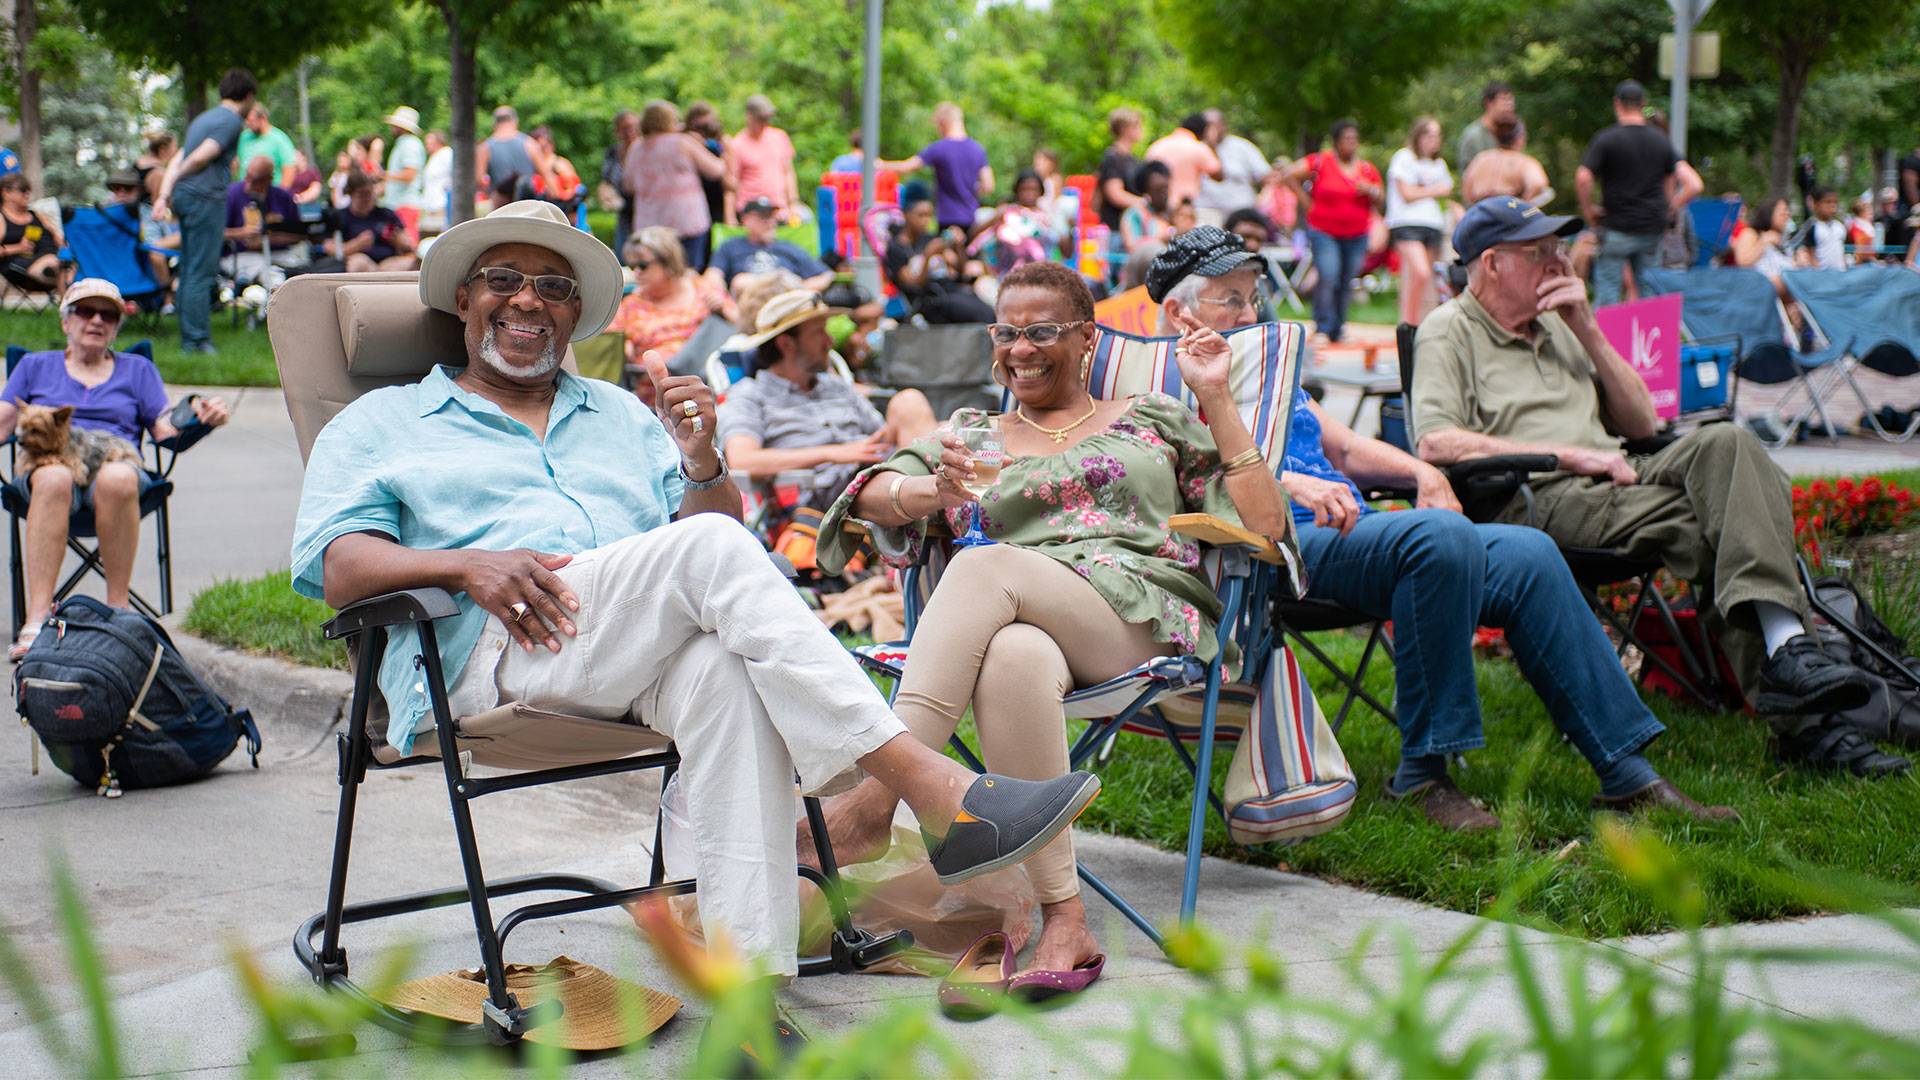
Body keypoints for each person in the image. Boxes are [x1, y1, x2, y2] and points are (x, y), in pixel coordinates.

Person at [290, 201, 1099, 1047]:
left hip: (634, 651)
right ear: (463, 300)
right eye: (504, 280)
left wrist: (703, 457)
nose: (528, 301)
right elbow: (340, 566)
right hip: (496, 648)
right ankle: (934, 791)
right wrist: (464, 563)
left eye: (554, 287)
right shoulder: (383, 423)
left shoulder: (619, 414)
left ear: (576, 313)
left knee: (724, 671)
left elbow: (718, 537)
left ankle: (747, 1005)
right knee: (704, 555)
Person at [1147, 225, 1740, 827]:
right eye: (1234, 299)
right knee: (1438, 538)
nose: (1252, 313)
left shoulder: (1267, 368)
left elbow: (1348, 449)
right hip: (1268, 552)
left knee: (1526, 552)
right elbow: (1173, 482)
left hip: (1351, 532)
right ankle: (1424, 772)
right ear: (1178, 310)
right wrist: (1287, 484)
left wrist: (1423, 475)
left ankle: (1626, 771)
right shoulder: (1161, 384)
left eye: (1253, 297)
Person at [810, 260, 1291, 999]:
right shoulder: (975, 432)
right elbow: (869, 492)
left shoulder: (1149, 418)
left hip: (1135, 614)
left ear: (1087, 339)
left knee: (982, 567)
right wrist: (928, 491)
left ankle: (876, 803)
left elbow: (1262, 524)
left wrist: (1216, 394)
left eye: (1041, 332)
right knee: (1012, 658)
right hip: (1014, 624)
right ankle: (1066, 918)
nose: (1020, 349)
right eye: (1007, 333)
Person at [1411, 197, 1905, 777]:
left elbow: (1643, 424)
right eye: (1539, 252)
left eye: (1558, 248)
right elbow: (1436, 442)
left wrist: (1587, 329)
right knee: (1723, 529)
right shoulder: (1449, 331)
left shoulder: (1560, 322)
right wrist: (1571, 454)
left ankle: (1790, 656)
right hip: (1538, 496)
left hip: (1621, 474)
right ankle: (1809, 723)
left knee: (1728, 442)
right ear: (1492, 264)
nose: (1559, 263)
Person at [0, 279, 230, 658]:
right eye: (85, 311)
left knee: (118, 476)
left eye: (107, 314)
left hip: (115, 465)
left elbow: (165, 429)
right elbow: (6, 424)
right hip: (46, 473)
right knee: (54, 476)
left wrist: (201, 417)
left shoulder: (136, 369)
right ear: (65, 322)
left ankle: (118, 610)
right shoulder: (34, 366)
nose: (96, 320)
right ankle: (37, 617)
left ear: (116, 327)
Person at [719, 288, 935, 510]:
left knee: (909, 401)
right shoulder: (750, 394)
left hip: (882, 471)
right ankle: (940, 497)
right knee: (922, 483)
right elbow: (742, 459)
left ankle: (938, 491)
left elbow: (881, 436)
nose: (829, 341)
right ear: (786, 344)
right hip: (830, 495)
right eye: (818, 332)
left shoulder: (836, 386)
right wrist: (833, 454)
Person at [153, 68, 256, 355]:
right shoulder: (232, 121)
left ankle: (190, 338)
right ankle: (197, 341)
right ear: (248, 96)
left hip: (187, 199)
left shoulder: (203, 119)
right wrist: (175, 183)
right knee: (201, 271)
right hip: (204, 199)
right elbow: (199, 157)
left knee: (189, 268)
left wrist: (165, 194)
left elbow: (178, 157)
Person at [1576, 80, 1702, 307]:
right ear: (1643, 104)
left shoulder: (1606, 139)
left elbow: (1584, 177)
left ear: (1617, 104)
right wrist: (1671, 207)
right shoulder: (1660, 141)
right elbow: (1694, 183)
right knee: (1648, 295)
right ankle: (1648, 340)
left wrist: (1589, 210)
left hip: (1616, 228)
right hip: (1651, 229)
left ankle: (1605, 341)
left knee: (1608, 295)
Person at [1279, 119, 1382, 346]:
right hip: (1324, 230)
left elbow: (1382, 200)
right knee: (1329, 274)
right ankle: (1323, 326)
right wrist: (1307, 202)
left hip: (1357, 233)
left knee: (1347, 280)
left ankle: (1339, 326)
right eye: (1347, 139)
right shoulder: (1320, 162)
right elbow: (1287, 175)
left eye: (1355, 139)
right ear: (1336, 141)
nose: (1351, 143)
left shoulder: (1366, 169)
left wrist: (1371, 191)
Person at [609, 226, 736, 369]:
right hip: (653, 384)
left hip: (703, 380)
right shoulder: (630, 305)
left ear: (668, 262)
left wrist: (724, 311)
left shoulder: (703, 289)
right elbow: (608, 342)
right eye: (632, 267)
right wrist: (622, 347)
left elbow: (742, 326)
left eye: (643, 266)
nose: (637, 272)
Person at [625, 100, 727, 273]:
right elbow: (716, 170)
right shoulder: (683, 142)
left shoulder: (636, 148)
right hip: (687, 221)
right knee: (689, 272)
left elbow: (628, 185)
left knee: (655, 273)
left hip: (651, 226)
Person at [878, 102, 993, 233]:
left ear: (943, 123)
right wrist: (969, 190)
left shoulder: (939, 148)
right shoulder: (977, 149)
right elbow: (988, 186)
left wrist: (880, 164)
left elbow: (906, 167)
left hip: (948, 219)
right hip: (971, 219)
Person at [883, 194, 995, 324]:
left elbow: (959, 268)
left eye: (929, 216)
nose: (925, 220)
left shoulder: (929, 238)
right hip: (928, 300)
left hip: (951, 290)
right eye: (921, 215)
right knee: (982, 314)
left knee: (988, 306)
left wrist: (958, 247)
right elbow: (912, 284)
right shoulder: (897, 248)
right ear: (907, 215)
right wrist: (928, 256)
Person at [1386, 117, 1453, 326]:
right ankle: (1408, 323)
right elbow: (1406, 193)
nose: (1434, 140)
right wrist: (1434, 190)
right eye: (1429, 134)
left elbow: (1445, 194)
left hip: (1432, 224)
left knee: (1429, 280)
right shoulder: (1404, 158)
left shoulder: (1438, 164)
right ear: (1418, 135)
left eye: (1437, 135)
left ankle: (1425, 323)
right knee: (1420, 272)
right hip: (1407, 223)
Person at [707, 197, 831, 293]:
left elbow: (826, 275)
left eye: (772, 217)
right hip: (747, 303)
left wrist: (798, 289)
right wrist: (720, 293)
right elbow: (713, 275)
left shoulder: (788, 247)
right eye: (764, 217)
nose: (771, 223)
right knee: (741, 282)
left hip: (784, 300)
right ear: (746, 220)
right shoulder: (730, 246)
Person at [223, 155, 307, 288]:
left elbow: (300, 233)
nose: (249, 183)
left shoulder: (282, 197)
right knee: (272, 276)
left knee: (302, 271)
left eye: (256, 180)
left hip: (279, 253)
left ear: (269, 178)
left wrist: (271, 237)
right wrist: (241, 233)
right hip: (243, 255)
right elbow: (215, 233)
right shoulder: (232, 194)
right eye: (247, 176)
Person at [325, 170, 418, 273]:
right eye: (362, 194)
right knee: (358, 263)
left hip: (389, 264)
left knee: (411, 263)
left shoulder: (386, 214)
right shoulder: (340, 216)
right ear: (351, 194)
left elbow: (409, 246)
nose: (367, 198)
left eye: (370, 193)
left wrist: (401, 242)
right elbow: (330, 249)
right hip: (361, 262)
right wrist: (356, 244)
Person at [979, 170, 1066, 275]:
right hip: (1011, 275)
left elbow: (1065, 251)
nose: (1029, 194)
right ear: (1017, 191)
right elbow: (978, 237)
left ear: (1041, 192)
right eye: (1024, 189)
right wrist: (995, 218)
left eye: (1034, 189)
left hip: (1043, 277)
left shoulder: (1047, 217)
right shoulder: (1008, 213)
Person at [728, 94, 798, 223]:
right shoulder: (737, 144)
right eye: (760, 119)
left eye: (767, 119)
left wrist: (793, 202)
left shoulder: (779, 137)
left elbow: (788, 172)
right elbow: (731, 184)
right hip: (750, 213)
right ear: (749, 116)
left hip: (779, 211)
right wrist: (730, 217)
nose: (765, 123)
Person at [1196, 109, 1272, 222]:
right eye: (1207, 126)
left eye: (1214, 125)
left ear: (1224, 125)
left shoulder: (1242, 146)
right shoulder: (1196, 148)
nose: (1211, 130)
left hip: (1240, 214)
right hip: (1206, 215)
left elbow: (1267, 177)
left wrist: (1264, 199)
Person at [1460, 115, 1551, 205]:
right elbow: (1538, 184)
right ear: (1520, 138)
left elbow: (1466, 190)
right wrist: (1523, 205)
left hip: (1481, 212)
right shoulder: (1524, 162)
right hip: (1510, 209)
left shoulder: (1481, 159)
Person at [476, 105, 552, 212]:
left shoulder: (485, 148)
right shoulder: (529, 144)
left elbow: (479, 181)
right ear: (515, 121)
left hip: (500, 210)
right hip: (527, 209)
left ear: (494, 123)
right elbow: (548, 177)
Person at [0, 174, 63, 294]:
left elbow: (59, 241)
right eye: (23, 190)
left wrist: (55, 232)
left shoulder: (37, 214)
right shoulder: (1, 218)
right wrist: (18, 248)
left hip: (52, 257)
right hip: (22, 267)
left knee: (70, 263)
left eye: (29, 190)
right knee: (62, 268)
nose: (27, 194)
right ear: (6, 193)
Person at [1145, 113, 1222, 208]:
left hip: (1156, 206)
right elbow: (1218, 175)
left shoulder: (1157, 145)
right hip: (1184, 207)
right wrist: (1212, 144)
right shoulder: (1198, 147)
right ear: (1203, 133)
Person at [683, 102, 732, 235]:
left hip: (717, 200)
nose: (703, 132)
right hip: (693, 201)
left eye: (707, 127)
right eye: (699, 127)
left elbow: (730, 180)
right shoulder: (685, 142)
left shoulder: (721, 142)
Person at [1096, 107, 1145, 237]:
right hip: (1116, 230)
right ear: (1124, 128)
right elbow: (1114, 193)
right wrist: (1142, 202)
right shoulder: (1113, 158)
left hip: (1133, 227)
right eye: (1137, 126)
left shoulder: (1132, 159)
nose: (1141, 130)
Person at [1456, 82, 1520, 174]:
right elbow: (1467, 175)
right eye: (1504, 100)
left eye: (1511, 101)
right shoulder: (1473, 136)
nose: (1509, 106)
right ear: (1489, 103)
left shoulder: (1509, 134)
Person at [600, 110, 640, 258]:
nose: (630, 132)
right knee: (622, 257)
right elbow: (606, 182)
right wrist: (607, 196)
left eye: (633, 127)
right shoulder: (612, 153)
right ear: (617, 132)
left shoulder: (646, 150)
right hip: (623, 213)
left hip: (645, 211)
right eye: (624, 128)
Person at [234, 104, 297, 187]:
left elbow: (289, 168)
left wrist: (281, 194)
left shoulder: (279, 139)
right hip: (245, 192)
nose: (248, 123)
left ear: (263, 119)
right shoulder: (244, 137)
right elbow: (236, 162)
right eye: (246, 120)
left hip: (269, 192)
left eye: (251, 120)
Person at [380, 106, 427, 216]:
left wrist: (384, 175)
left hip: (405, 205)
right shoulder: (404, 144)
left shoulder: (410, 144)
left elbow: (410, 174)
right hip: (398, 204)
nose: (392, 127)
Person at [1120, 160, 1175, 254]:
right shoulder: (1135, 215)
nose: (1164, 194)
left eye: (1165, 188)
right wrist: (1160, 239)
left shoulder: (1176, 212)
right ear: (1146, 191)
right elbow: (1132, 247)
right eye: (1158, 190)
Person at [1795, 187, 1847, 271]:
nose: (1832, 205)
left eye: (1835, 202)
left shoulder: (1840, 227)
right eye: (1828, 202)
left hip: (1840, 274)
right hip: (1822, 275)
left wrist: (1845, 269)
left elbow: (1842, 252)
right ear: (1816, 204)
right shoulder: (1813, 227)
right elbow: (1811, 255)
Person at [418, 131, 453, 233]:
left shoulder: (447, 154)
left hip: (441, 204)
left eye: (429, 143)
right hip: (432, 205)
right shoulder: (435, 156)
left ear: (438, 142)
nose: (426, 146)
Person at [134, 131, 176, 205]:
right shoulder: (158, 173)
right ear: (162, 149)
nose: (175, 150)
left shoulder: (137, 163)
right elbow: (157, 204)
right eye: (174, 146)